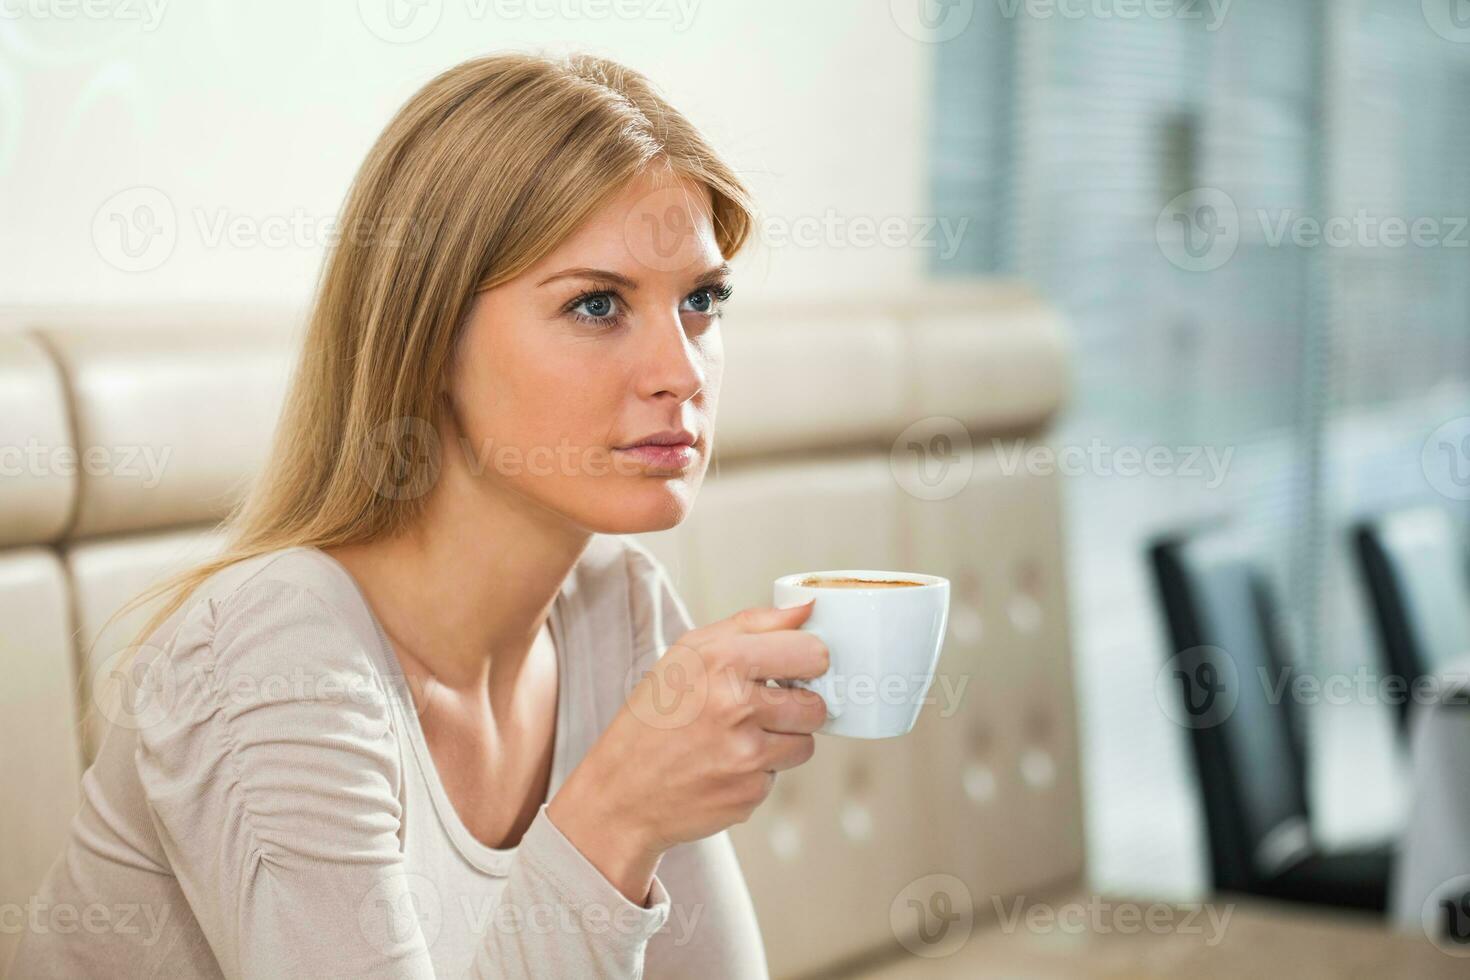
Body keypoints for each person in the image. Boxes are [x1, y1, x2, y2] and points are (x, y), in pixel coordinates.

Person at [10, 51, 828, 979]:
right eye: (597, 304)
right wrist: (616, 817)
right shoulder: (275, 655)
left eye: (702, 301)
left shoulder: (618, 613)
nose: (681, 371)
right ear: (428, 338)